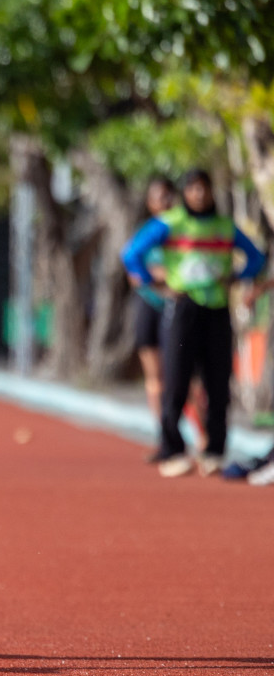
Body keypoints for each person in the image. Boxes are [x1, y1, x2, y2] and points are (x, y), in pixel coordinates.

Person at [122, 169, 266, 477]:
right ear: (185, 193)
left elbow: (256, 257)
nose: (199, 195)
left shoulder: (224, 227)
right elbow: (132, 254)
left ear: (212, 191)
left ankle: (214, 449)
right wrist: (155, 282)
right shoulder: (170, 223)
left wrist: (238, 277)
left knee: (218, 381)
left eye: (204, 188)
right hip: (183, 309)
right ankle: (172, 448)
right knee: (175, 378)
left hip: (216, 309)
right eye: (193, 189)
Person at [124, 177, 204, 463]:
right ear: (149, 203)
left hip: (181, 308)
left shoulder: (185, 231)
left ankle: (204, 440)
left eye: (169, 196)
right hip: (150, 305)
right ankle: (166, 438)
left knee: (187, 377)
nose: (164, 202)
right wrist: (157, 279)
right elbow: (132, 267)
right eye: (158, 197)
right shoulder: (146, 233)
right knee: (155, 376)